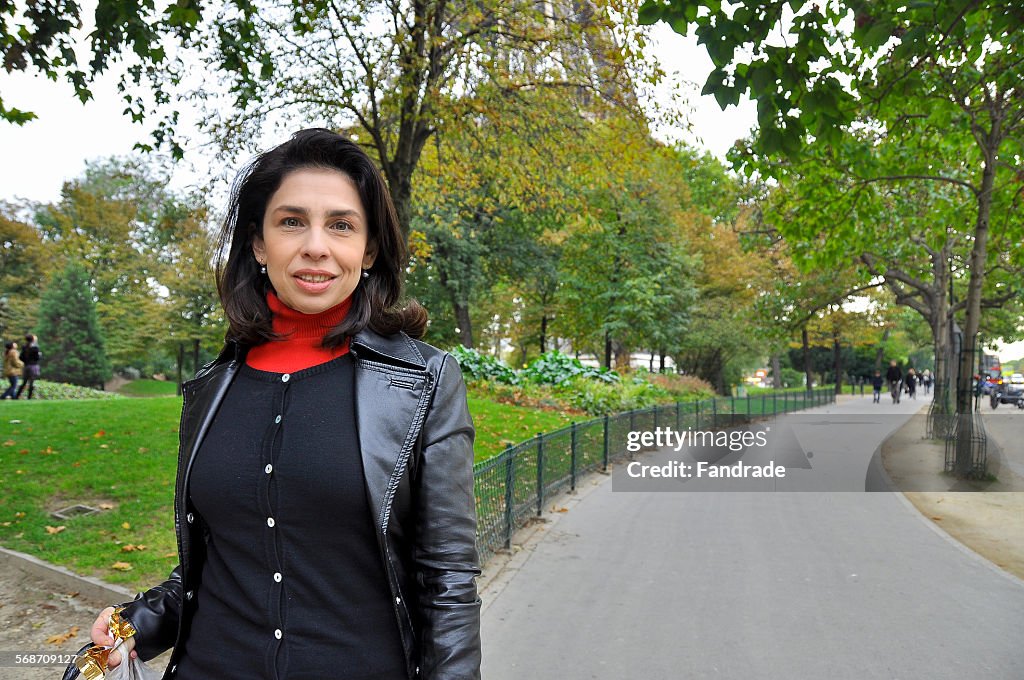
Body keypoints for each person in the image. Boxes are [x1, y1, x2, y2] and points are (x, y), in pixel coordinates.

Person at [80, 129, 481, 680]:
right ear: (258, 243)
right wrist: (140, 623)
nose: (315, 245)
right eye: (292, 221)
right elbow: (222, 555)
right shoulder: (211, 387)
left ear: (367, 250)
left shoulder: (421, 380)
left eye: (341, 225)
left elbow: (448, 579)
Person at [15, 334, 40, 399]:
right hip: (33, 366)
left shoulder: (24, 347)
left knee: (24, 382)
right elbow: (37, 358)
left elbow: (21, 357)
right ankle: (29, 397)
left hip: (26, 366)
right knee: (31, 382)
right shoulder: (35, 347)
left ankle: (17, 396)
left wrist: (26, 361)